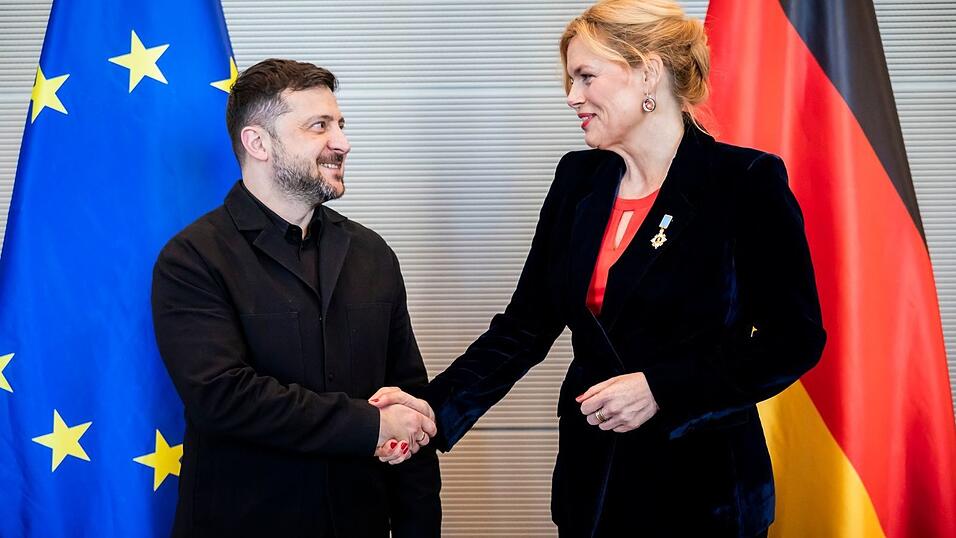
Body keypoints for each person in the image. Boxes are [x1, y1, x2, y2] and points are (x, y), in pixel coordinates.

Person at [371, 1, 826, 535]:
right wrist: (432, 407)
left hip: (701, 490)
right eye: (570, 79)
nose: (572, 97)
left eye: (587, 76)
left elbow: (793, 339)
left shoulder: (744, 181)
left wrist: (663, 386)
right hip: (592, 484)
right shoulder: (577, 179)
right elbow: (524, 327)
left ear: (648, 71)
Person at [151, 59, 440, 538]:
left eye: (340, 125)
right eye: (319, 126)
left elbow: (408, 399)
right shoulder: (192, 259)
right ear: (258, 143)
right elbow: (223, 398)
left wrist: (419, 527)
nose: (342, 142)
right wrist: (370, 425)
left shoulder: (372, 253)